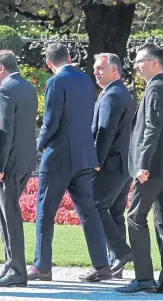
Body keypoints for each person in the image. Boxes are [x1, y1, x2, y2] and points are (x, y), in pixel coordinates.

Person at [28, 43, 111, 282]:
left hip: (59, 155)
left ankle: (42, 266)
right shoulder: (86, 80)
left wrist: (39, 144)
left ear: (48, 63)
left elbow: (51, 120)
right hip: (84, 155)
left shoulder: (55, 82)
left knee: (45, 211)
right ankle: (102, 265)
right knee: (88, 212)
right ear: (70, 57)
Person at [115, 43, 163, 294]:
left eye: (140, 61)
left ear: (155, 63)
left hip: (152, 167)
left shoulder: (155, 88)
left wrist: (142, 164)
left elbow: (151, 129)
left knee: (134, 217)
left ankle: (143, 278)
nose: (136, 65)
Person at [92, 53, 135, 278]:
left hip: (110, 164)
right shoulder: (120, 92)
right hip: (123, 164)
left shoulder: (111, 95)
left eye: (100, 68)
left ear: (115, 71)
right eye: (95, 68)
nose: (95, 71)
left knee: (96, 206)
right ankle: (115, 266)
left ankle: (120, 252)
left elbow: (104, 133)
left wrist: (96, 162)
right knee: (115, 212)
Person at [0, 50, 37, 287]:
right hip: (25, 160)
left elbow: (5, 131)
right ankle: (10, 264)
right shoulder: (27, 87)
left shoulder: (5, 89)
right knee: (6, 214)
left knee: (9, 215)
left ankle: (16, 270)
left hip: (10, 162)